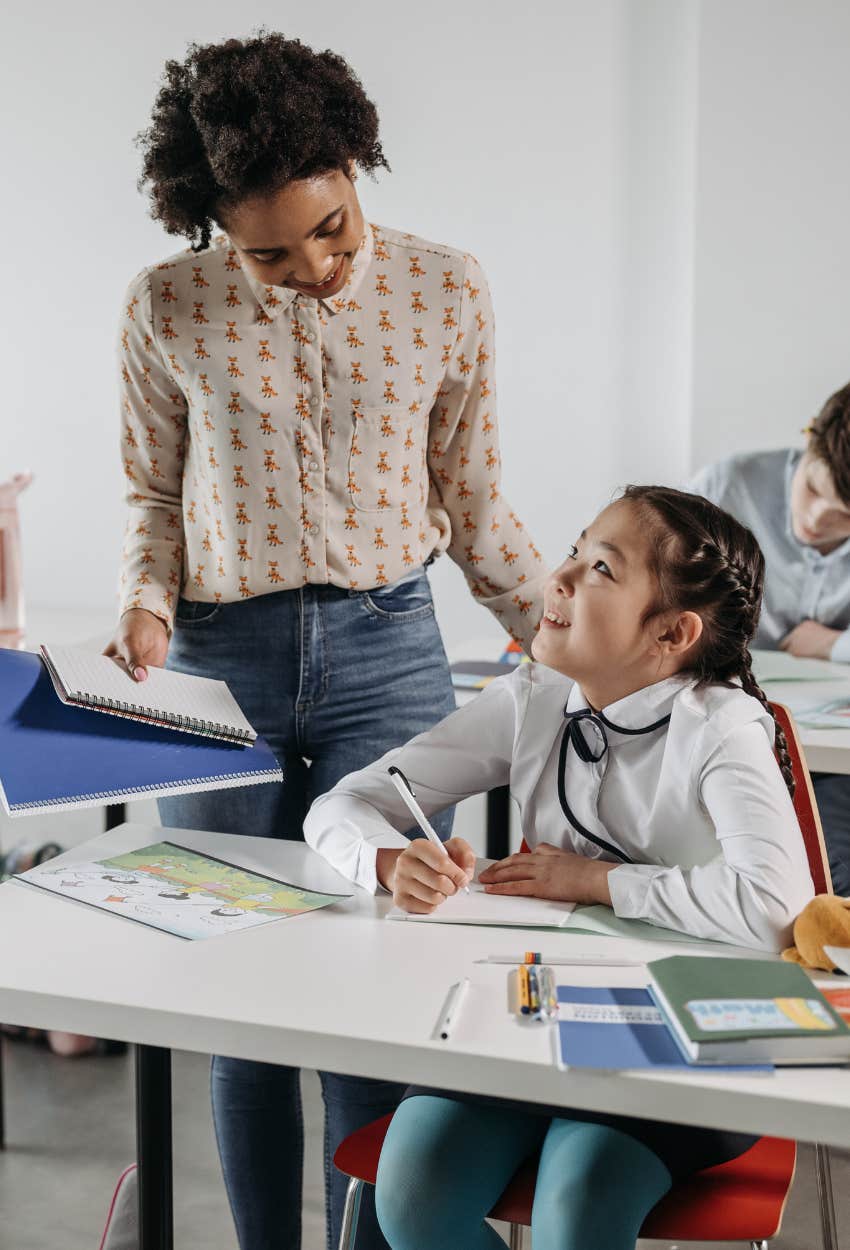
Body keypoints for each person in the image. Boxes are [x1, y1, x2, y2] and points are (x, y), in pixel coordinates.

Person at [103, 31, 546, 1250]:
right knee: (243, 991)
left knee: (372, 977)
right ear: (213, 227)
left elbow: (474, 494)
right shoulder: (165, 306)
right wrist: (144, 598)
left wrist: (559, 638)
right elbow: (151, 493)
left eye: (334, 229)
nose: (313, 267)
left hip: (389, 647)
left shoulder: (447, 287)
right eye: (268, 251)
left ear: (359, 167)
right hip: (214, 663)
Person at [304, 485, 814, 1250]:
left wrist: (595, 881)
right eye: (575, 550)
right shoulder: (534, 698)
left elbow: (775, 905)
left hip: (682, 1045)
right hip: (531, 1021)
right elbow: (339, 805)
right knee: (412, 1194)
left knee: (578, 1207)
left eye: (602, 569)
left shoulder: (723, 727)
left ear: (672, 632)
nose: (561, 577)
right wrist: (384, 861)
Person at [688, 380, 850, 895]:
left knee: (828, 862)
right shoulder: (728, 486)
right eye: (812, 491)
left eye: (845, 515)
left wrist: (831, 645)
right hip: (729, 736)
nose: (816, 520)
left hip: (832, 762)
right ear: (809, 441)